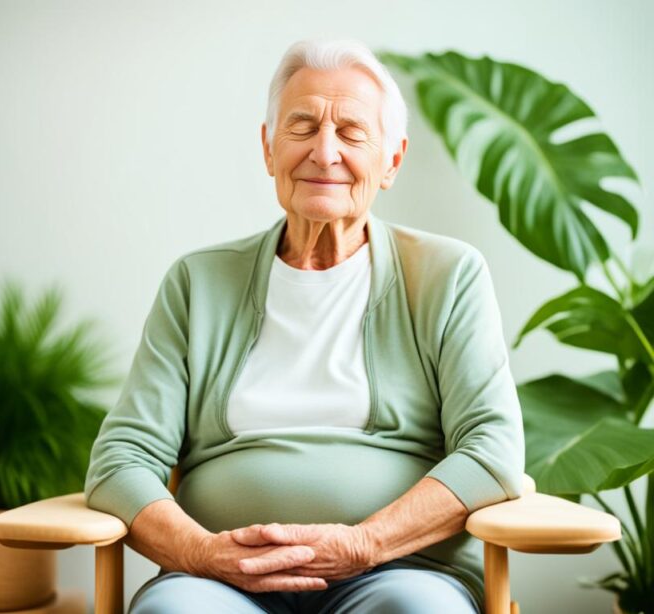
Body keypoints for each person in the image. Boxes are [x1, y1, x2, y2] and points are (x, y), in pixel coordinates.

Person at [84, 37, 525, 614]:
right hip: (216, 583)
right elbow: (121, 459)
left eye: (351, 132)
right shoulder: (197, 282)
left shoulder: (448, 276)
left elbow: (492, 450)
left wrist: (364, 544)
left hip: (402, 572)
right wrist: (202, 552)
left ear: (391, 161)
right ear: (269, 150)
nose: (324, 152)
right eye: (302, 127)